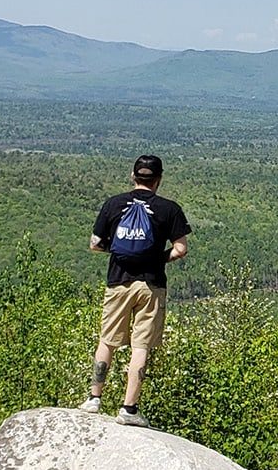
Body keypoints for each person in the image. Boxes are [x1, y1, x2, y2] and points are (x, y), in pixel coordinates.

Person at [77, 155, 191, 428]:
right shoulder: (169, 209)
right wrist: (156, 259)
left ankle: (94, 398)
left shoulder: (113, 204)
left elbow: (95, 243)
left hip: (118, 282)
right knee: (141, 346)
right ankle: (129, 408)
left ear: (133, 176)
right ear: (159, 179)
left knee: (107, 340)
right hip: (151, 285)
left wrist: (118, 251)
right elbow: (180, 249)